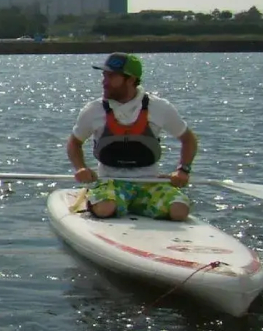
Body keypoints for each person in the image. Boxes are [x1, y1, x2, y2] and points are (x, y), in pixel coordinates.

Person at [66, 52, 198, 221]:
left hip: (150, 183)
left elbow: (188, 139)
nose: (104, 82)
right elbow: (74, 143)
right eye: (104, 75)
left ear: (130, 80)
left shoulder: (159, 107)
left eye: (111, 76)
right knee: (106, 208)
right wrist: (80, 168)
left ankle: (135, 204)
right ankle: (97, 200)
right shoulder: (93, 110)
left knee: (179, 211)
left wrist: (183, 170)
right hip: (110, 181)